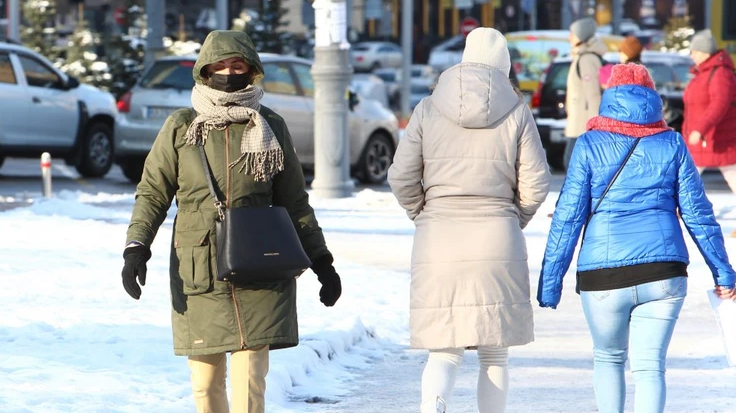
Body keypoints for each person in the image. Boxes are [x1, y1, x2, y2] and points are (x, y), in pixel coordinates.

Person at [121, 30, 342, 413]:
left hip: (262, 263)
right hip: (201, 269)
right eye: (220, 65)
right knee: (206, 384)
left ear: (251, 71)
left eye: (237, 65)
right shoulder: (181, 125)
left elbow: (294, 201)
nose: (228, 71)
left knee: (251, 380)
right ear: (204, 72)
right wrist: (137, 247)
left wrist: (323, 262)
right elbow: (153, 192)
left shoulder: (269, 124)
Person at [538, 63, 736, 413]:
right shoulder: (672, 143)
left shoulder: (589, 144)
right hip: (664, 271)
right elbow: (698, 213)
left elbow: (567, 218)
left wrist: (550, 284)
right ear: (653, 98)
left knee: (608, 359)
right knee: (649, 368)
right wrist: (723, 272)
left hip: (603, 274)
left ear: (609, 97)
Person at [388, 27, 551, 413]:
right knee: (495, 354)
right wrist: (513, 217)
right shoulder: (517, 111)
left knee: (443, 352)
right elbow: (537, 183)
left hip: (438, 239)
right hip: (497, 237)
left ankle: (434, 407)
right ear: (505, 66)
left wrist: (423, 214)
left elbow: (400, 177)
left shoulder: (428, 108)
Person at [682, 29, 736, 194]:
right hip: (706, 138)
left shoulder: (720, 74)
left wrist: (700, 129)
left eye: (694, 51)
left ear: (704, 52)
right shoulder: (703, 74)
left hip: (717, 137)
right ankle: (677, 209)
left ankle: (676, 209)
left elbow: (719, 104)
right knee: (689, 175)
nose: (692, 55)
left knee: (689, 175)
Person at [564, 18, 606, 169]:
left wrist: (596, 126)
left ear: (580, 37)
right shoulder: (581, 57)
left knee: (572, 164)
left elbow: (593, 95)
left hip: (582, 125)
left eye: (572, 34)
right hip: (579, 122)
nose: (569, 37)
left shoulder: (586, 59)